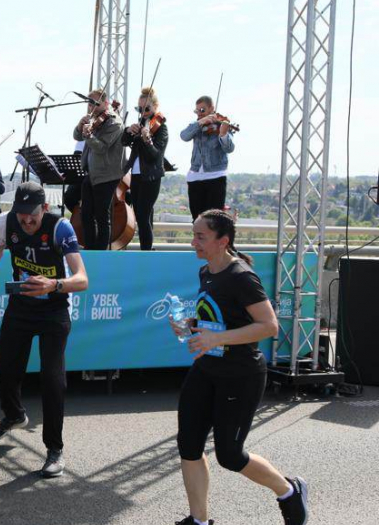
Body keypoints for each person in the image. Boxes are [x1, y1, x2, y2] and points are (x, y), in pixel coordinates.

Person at [170, 209, 308, 525]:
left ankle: (289, 491)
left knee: (230, 456)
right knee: (188, 445)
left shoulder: (241, 277)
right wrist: (190, 325)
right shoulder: (206, 272)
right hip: (206, 371)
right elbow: (218, 320)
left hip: (241, 376)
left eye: (200, 236)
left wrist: (214, 336)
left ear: (223, 241)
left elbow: (269, 326)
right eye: (193, 235)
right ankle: (200, 521)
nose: (193, 242)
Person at [0, 181, 88, 478]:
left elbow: (82, 279)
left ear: (45, 208)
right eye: (22, 214)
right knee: (3, 369)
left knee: (53, 380)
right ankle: (14, 415)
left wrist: (53, 284)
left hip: (54, 309)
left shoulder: (60, 227)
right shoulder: (5, 222)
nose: (27, 221)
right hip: (21, 307)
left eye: (33, 215)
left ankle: (55, 449)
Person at [73, 89, 125, 250]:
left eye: (95, 103)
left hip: (107, 174)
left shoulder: (114, 122)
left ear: (106, 103)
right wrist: (81, 125)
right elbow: (77, 136)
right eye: (89, 103)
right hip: (92, 173)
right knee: (86, 214)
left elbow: (101, 148)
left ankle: (101, 253)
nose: (91, 107)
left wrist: (89, 136)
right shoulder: (93, 119)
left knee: (102, 216)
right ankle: (90, 249)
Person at [122, 86, 168, 251]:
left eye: (147, 108)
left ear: (155, 107)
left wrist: (147, 139)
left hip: (151, 176)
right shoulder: (140, 124)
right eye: (139, 109)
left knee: (142, 216)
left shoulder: (161, 128)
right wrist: (128, 131)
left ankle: (146, 251)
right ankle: (147, 249)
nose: (143, 112)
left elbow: (155, 155)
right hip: (136, 175)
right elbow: (124, 142)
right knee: (142, 216)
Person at [180, 96, 235, 220]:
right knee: (197, 219)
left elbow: (229, 148)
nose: (199, 113)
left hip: (215, 176)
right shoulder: (197, 125)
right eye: (197, 111)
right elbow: (184, 136)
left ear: (212, 108)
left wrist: (223, 134)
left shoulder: (222, 123)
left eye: (203, 110)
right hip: (195, 176)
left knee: (213, 220)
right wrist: (200, 122)